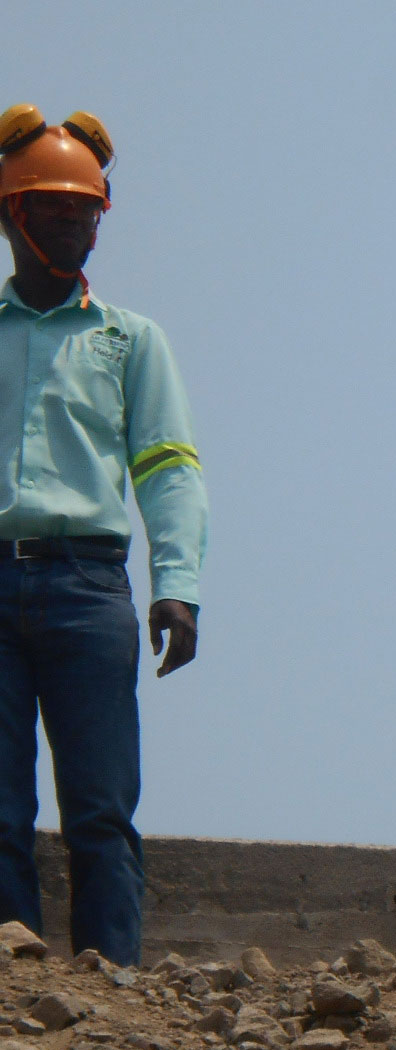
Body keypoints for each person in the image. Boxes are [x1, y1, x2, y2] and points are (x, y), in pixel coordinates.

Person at [0, 106, 207, 967]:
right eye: (53, 206)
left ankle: (111, 974)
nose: (74, 223)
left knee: (100, 801)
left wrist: (178, 583)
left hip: (90, 588)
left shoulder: (129, 341)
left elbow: (167, 468)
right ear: (13, 213)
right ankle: (14, 966)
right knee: (0, 806)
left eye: (86, 209)